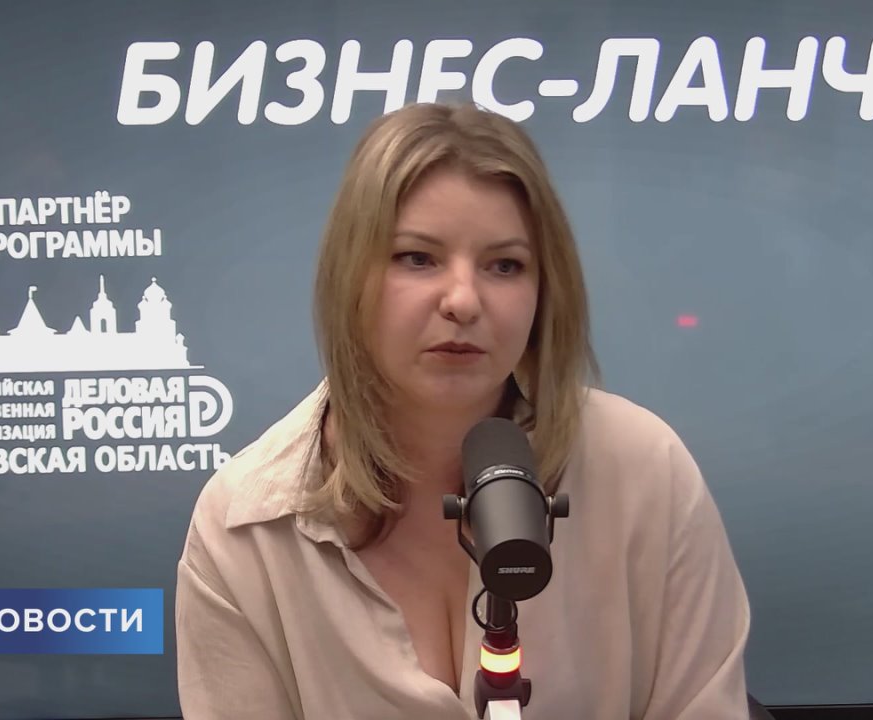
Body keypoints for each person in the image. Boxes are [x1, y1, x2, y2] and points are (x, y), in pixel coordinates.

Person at [175, 102, 752, 719]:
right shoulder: (245, 529)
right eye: (417, 257)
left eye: (505, 265)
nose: (463, 301)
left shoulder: (646, 471)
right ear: (350, 276)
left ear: (544, 292)